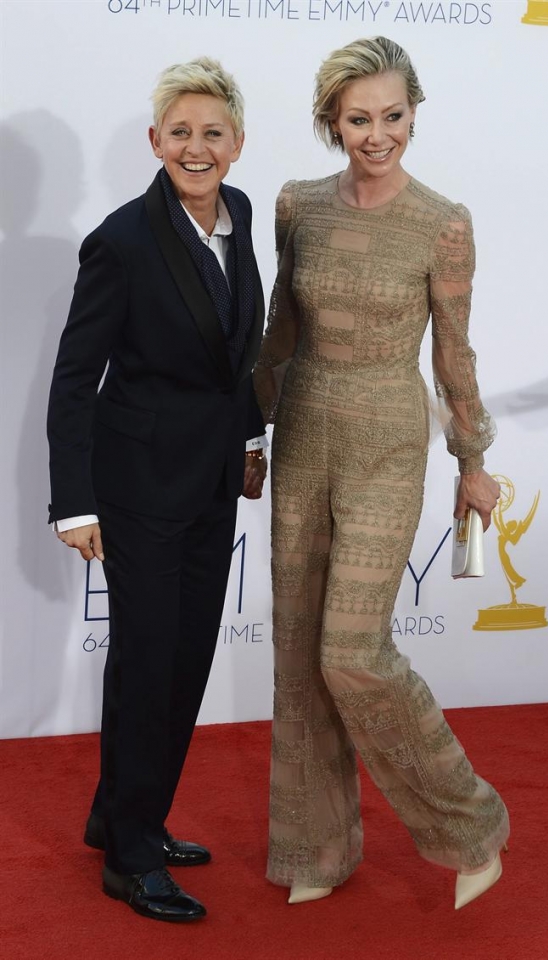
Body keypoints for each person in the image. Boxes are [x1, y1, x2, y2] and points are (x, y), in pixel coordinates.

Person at [254, 36, 509, 911]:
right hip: (303, 434)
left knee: (352, 653)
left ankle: (471, 826)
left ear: (414, 111)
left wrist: (474, 460)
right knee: (296, 654)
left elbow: (455, 354)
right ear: (332, 119)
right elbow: (278, 334)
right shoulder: (298, 206)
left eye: (393, 116)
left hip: (389, 443)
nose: (378, 134)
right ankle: (317, 849)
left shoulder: (443, 220)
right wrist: (246, 431)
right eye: (359, 118)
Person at [47, 57, 267, 923]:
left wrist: (250, 438)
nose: (196, 146)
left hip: (212, 482)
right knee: (147, 663)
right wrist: (75, 501)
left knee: (186, 660)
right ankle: (131, 859)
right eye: (180, 132)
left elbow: (233, 349)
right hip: (136, 488)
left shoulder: (240, 214)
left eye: (213, 132)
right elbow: (74, 377)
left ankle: (122, 813)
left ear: (237, 144)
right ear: (154, 142)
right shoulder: (124, 238)